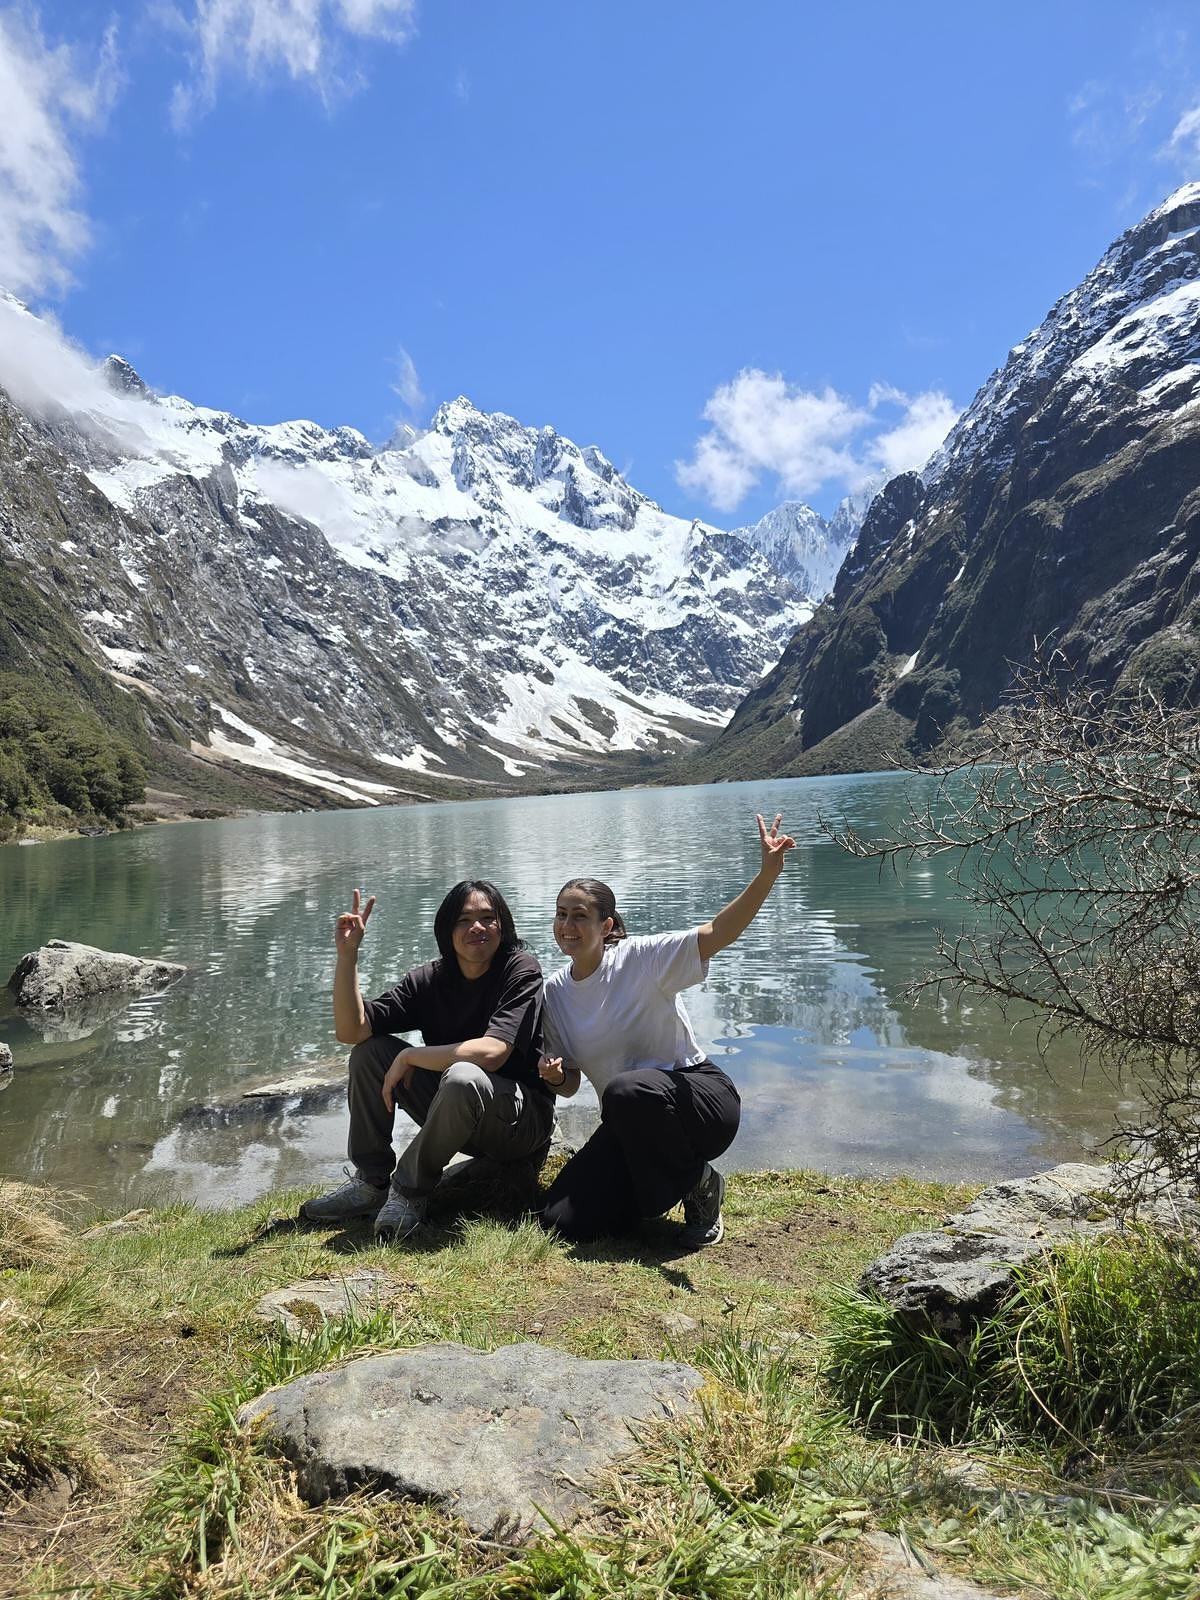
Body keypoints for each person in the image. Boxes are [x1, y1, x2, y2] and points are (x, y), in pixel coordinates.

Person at [538, 813, 795, 1247]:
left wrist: (766, 874)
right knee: (561, 1221)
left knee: (625, 1090)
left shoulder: (641, 958)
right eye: (561, 915)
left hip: (698, 1099)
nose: (568, 926)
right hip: (628, 1121)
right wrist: (555, 1075)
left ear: (606, 926)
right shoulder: (555, 993)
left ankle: (699, 1183)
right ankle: (651, 1193)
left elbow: (717, 933)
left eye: (580, 916)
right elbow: (570, 1084)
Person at [300, 879, 555, 1239]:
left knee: (464, 1075)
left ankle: (408, 1191)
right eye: (464, 920)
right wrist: (348, 957)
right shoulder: (430, 979)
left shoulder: (520, 969)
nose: (477, 928)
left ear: (503, 925)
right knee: (369, 1054)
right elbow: (351, 1031)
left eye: (488, 918)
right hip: (460, 1113)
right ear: (446, 929)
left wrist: (411, 1055)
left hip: (520, 1122)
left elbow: (493, 1053)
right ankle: (371, 1184)